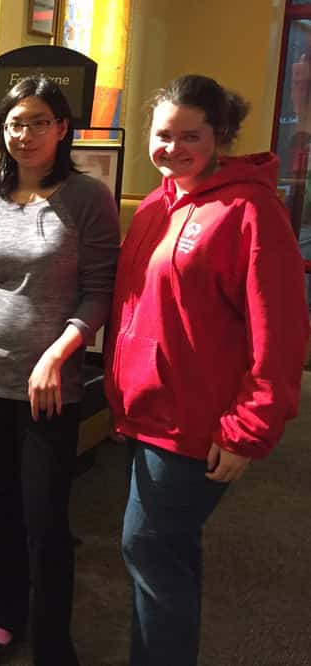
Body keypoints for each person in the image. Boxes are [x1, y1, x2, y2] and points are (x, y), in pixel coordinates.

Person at [105, 74, 310, 666]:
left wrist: (250, 428)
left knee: (146, 549)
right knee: (167, 557)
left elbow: (282, 335)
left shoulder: (251, 210)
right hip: (144, 415)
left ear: (219, 135)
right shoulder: (153, 206)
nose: (173, 148)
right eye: (163, 135)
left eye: (190, 136)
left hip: (198, 425)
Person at [0, 75, 120, 666]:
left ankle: (53, 637)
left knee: (47, 517)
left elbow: (101, 289)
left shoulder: (87, 197)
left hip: (52, 382)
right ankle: (3, 617)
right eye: (14, 124)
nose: (23, 134)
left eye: (37, 122)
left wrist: (57, 352)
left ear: (62, 128)